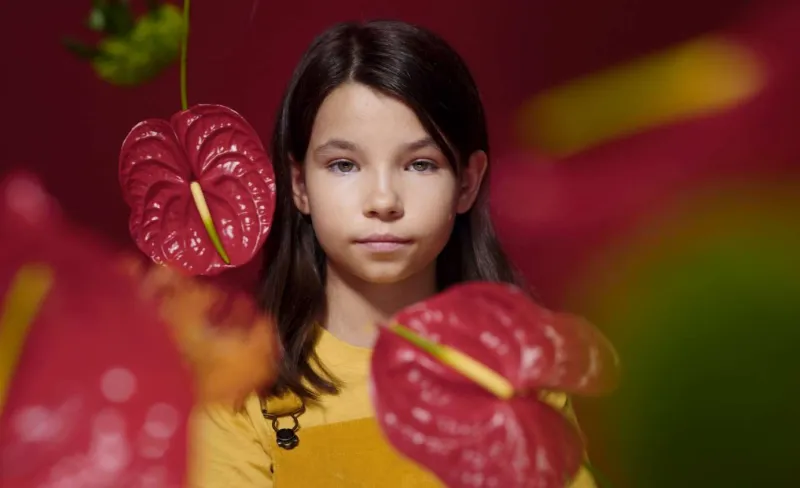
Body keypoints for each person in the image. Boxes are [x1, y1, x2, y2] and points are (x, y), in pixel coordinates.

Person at [189, 19, 597, 487]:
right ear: (299, 184)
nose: (383, 201)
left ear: (468, 182)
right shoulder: (240, 389)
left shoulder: (519, 373)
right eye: (344, 165)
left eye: (420, 164)